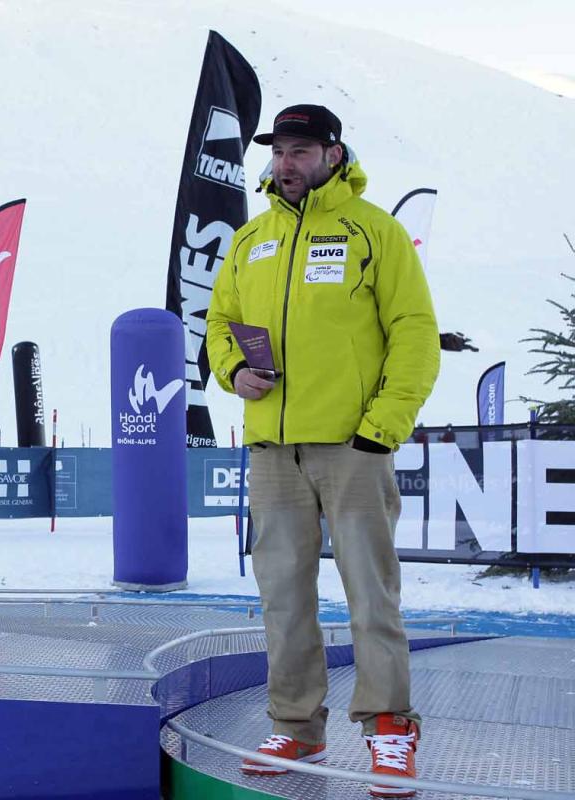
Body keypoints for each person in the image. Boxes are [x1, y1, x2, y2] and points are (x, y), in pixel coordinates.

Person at [206, 105, 440, 796]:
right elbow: (221, 322)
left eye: (300, 149)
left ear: (334, 155)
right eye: (279, 150)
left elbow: (415, 334)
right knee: (282, 596)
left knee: (371, 594)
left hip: (352, 446)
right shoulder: (252, 240)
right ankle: (297, 725)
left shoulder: (375, 232)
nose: (285, 162)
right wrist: (233, 371)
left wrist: (382, 427)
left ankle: (390, 728)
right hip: (272, 448)